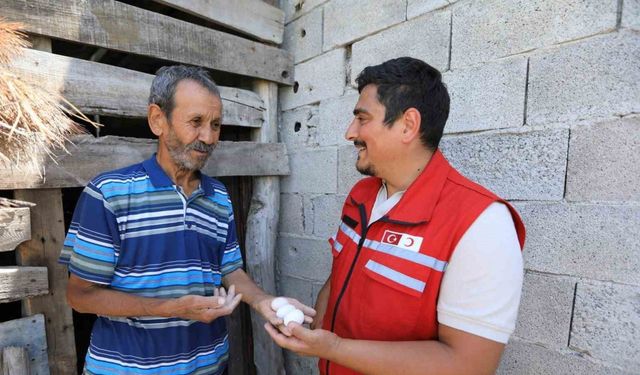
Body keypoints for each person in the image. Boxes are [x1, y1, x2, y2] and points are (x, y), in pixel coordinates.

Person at [265, 57, 526, 375]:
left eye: (362, 119)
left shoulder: (482, 224)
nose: (350, 133)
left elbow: (467, 366)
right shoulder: (360, 198)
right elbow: (339, 280)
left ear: (407, 125)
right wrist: (307, 324)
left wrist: (333, 348)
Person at [59, 65, 314, 375]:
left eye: (216, 124)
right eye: (196, 122)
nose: (207, 137)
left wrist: (264, 302)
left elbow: (230, 269)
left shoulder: (218, 196)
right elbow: (80, 296)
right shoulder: (109, 194)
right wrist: (172, 309)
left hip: (209, 366)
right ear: (158, 120)